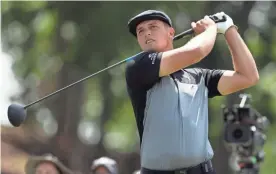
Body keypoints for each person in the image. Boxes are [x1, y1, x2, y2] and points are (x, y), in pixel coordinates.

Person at [125, 10, 259, 174]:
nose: (146, 33)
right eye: (141, 31)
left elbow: (248, 76)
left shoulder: (199, 77)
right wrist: (211, 29)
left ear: (171, 33)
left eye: (153, 27)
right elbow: (196, 52)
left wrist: (229, 29)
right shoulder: (137, 67)